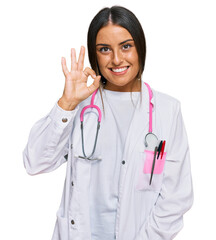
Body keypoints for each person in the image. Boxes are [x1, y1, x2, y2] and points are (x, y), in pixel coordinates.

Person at [23, 5, 193, 240]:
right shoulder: (80, 105)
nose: (116, 59)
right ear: (95, 55)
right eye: (104, 49)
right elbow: (35, 162)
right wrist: (66, 103)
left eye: (126, 46)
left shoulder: (167, 110)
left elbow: (176, 197)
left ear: (140, 48)